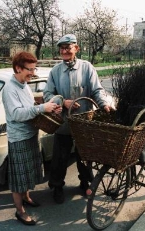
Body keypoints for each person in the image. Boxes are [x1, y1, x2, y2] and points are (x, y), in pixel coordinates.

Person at [43, 34, 115, 204]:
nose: (65, 51)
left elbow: (97, 90)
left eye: (68, 47)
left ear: (76, 48)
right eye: (62, 48)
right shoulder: (55, 71)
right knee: (60, 157)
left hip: (85, 123)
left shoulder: (87, 67)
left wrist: (103, 104)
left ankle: (85, 183)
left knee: (85, 155)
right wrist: (62, 101)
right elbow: (47, 94)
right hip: (64, 123)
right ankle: (57, 186)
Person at [2, 51, 62, 225]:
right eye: (29, 69)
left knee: (28, 173)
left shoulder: (23, 84)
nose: (33, 73)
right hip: (19, 139)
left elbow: (29, 106)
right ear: (18, 68)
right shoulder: (10, 88)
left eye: (34, 69)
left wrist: (49, 107)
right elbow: (16, 114)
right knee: (19, 178)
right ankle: (20, 212)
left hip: (30, 134)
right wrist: (41, 108)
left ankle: (27, 198)